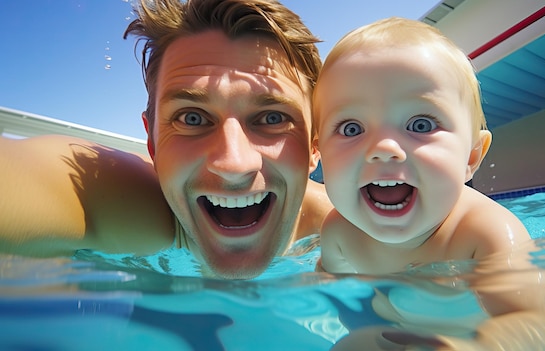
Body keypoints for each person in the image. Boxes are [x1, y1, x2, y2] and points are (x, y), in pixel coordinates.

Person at [0, 0, 332, 279]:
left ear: (315, 145)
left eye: (273, 118)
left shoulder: (355, 228)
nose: (233, 164)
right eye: (192, 118)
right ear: (152, 142)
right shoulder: (132, 206)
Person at [314, 17, 545, 349]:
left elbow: (539, 325)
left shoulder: (484, 234)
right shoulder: (338, 233)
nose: (383, 149)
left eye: (421, 123)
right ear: (320, 154)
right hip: (397, 322)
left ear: (471, 157)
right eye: (351, 128)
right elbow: (338, 290)